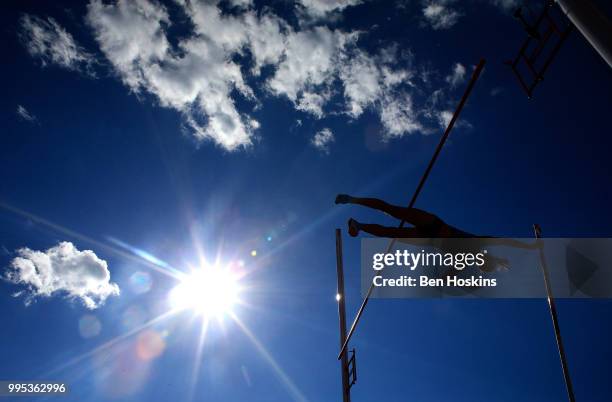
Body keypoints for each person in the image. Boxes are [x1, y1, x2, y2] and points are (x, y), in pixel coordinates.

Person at [335, 194, 540, 272]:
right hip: (434, 226)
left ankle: (359, 225)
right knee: (393, 211)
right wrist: (529, 246)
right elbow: (505, 242)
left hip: (428, 239)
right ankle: (352, 200)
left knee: (391, 233)